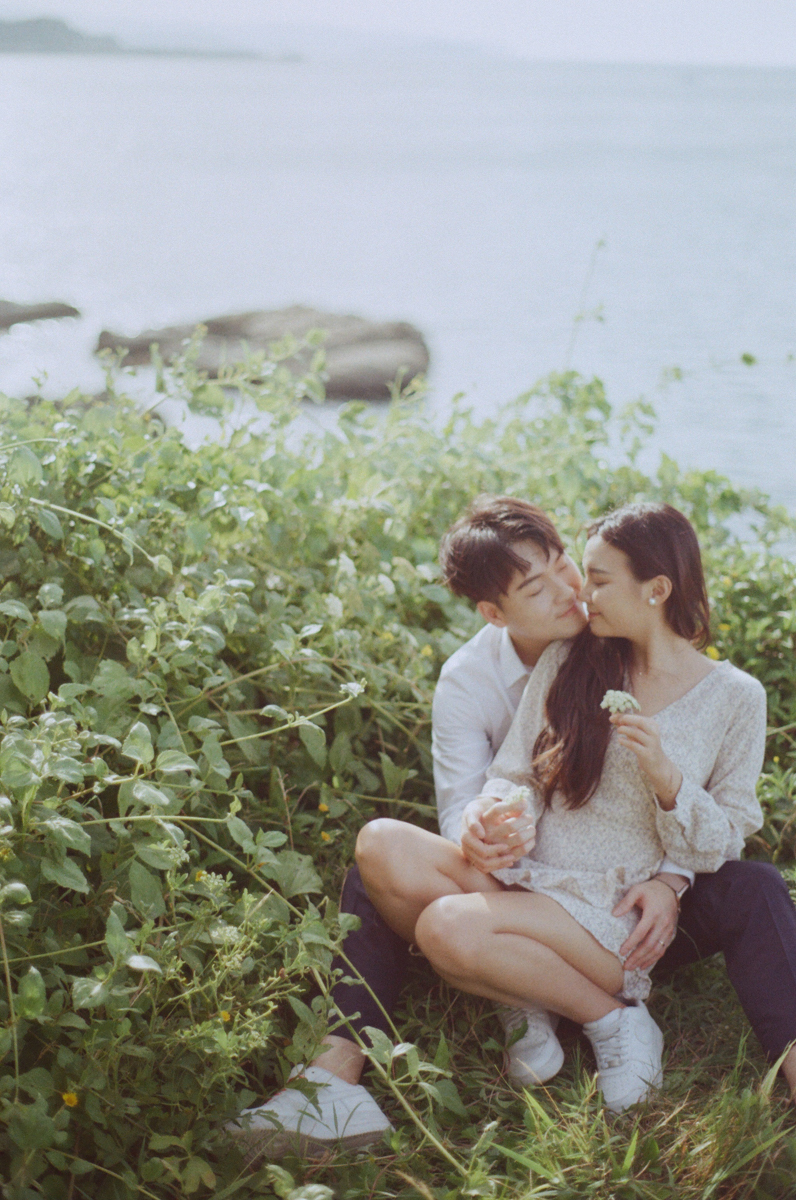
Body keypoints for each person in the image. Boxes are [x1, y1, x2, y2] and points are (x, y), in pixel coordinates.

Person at [226, 497, 796, 1154]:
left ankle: (588, 1009)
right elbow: (511, 776)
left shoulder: (730, 694)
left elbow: (727, 834)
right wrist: (492, 817)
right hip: (530, 880)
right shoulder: (552, 665)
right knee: (379, 845)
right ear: (494, 612)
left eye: (582, 573)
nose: (576, 593)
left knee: (449, 926)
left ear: (656, 589)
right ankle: (356, 1073)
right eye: (543, 584)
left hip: (613, 904)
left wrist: (670, 825)